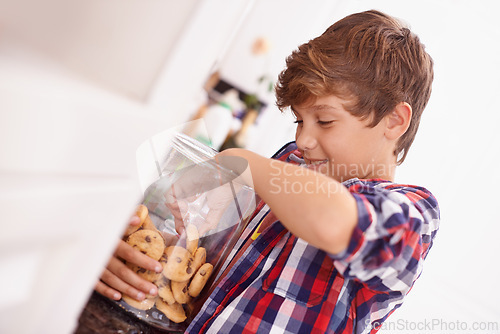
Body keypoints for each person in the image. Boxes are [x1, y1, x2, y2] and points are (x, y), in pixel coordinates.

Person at [96, 9, 440, 333]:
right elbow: (212, 281)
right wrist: (141, 267)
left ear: (394, 120)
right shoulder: (289, 167)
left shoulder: (413, 215)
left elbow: (335, 220)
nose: (303, 139)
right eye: (299, 120)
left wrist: (237, 161)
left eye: (325, 120)